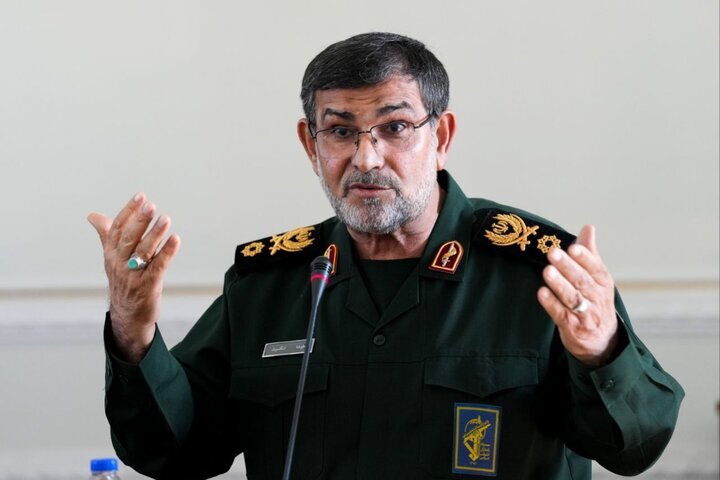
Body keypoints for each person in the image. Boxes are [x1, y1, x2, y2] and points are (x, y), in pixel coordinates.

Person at [88, 32, 684, 480]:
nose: (366, 158)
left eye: (395, 128)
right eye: (340, 131)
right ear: (311, 144)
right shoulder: (270, 284)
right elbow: (174, 452)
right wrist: (134, 335)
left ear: (440, 138)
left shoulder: (541, 272)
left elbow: (634, 448)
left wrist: (602, 351)